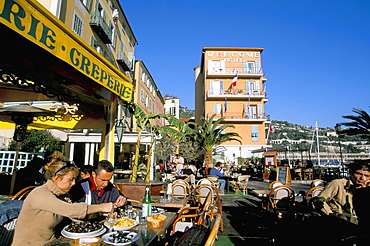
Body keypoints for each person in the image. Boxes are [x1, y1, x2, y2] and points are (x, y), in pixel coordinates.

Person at [12, 161, 113, 246]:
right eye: (71, 179)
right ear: (57, 179)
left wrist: (102, 214)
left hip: (51, 242)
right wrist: (101, 207)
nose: (74, 183)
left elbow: (77, 216)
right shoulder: (40, 194)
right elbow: (70, 210)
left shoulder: (61, 195)